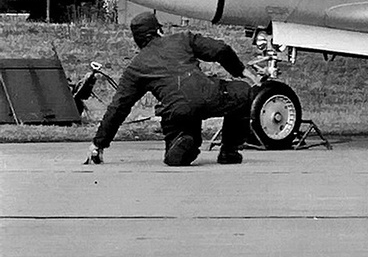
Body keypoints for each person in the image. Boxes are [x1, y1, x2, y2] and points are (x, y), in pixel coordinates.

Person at [85, 11, 258, 167]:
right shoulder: (183, 39)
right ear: (159, 31)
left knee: (181, 130)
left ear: (137, 41)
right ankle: (229, 151)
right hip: (209, 95)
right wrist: (241, 71)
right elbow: (221, 49)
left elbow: (118, 107)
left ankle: (182, 141)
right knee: (242, 92)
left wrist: (98, 144)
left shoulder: (136, 67)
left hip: (176, 109)